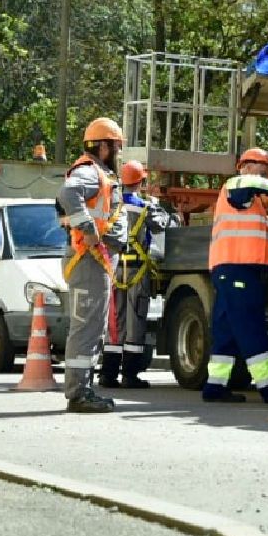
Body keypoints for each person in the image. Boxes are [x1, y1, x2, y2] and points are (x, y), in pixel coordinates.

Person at [203, 148, 268, 404]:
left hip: (231, 271)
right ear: (246, 166)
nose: (265, 174)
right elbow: (252, 185)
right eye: (262, 168)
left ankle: (214, 387)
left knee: (226, 332)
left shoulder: (251, 199)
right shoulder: (237, 184)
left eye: (267, 171)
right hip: (238, 270)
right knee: (251, 327)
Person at [55, 117, 129, 414]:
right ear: (103, 146)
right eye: (116, 146)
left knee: (92, 328)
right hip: (88, 259)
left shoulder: (102, 175)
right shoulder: (89, 172)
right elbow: (67, 193)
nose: (119, 153)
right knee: (86, 329)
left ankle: (82, 390)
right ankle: (78, 393)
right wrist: (87, 227)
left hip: (94, 262)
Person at [101, 159, 173, 389]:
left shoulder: (111, 204)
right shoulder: (146, 206)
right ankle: (130, 375)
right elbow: (163, 225)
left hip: (113, 269)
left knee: (114, 323)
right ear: (141, 182)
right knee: (135, 322)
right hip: (136, 270)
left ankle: (108, 374)